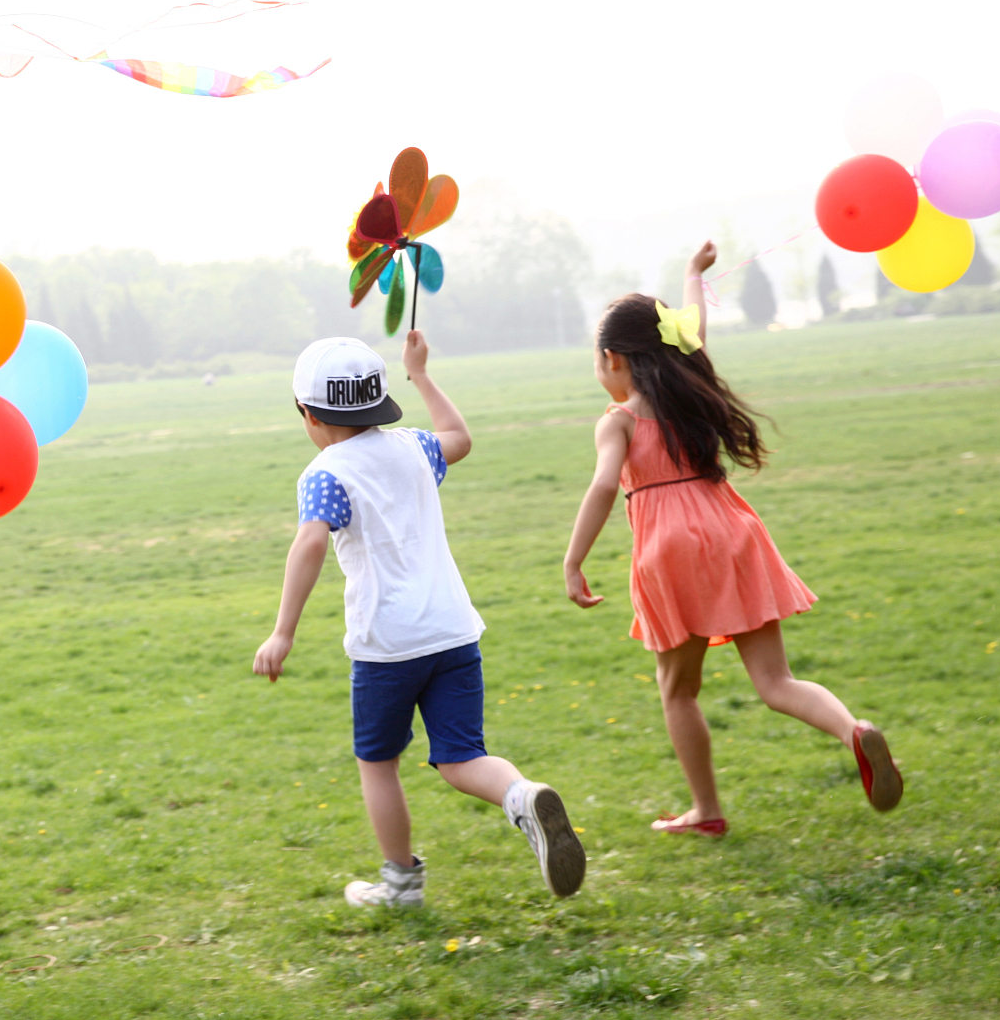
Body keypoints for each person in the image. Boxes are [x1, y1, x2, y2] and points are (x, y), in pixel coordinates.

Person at [561, 242, 902, 837]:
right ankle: (853, 729)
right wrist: (692, 274)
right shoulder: (690, 390)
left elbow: (603, 486)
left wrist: (573, 561)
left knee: (678, 690)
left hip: (670, 546)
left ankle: (706, 810)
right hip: (733, 530)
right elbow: (694, 332)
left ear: (612, 358)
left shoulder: (618, 420)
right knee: (776, 682)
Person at [254, 331, 586, 907]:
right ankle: (520, 796)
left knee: (378, 764)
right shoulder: (414, 446)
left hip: (387, 645)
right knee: (462, 757)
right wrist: (423, 374)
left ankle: (401, 886)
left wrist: (283, 631)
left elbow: (309, 544)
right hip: (453, 631)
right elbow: (460, 439)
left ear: (308, 413)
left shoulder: (325, 473)